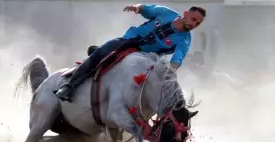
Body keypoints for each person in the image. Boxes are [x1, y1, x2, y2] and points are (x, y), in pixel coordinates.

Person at [54, 4, 206, 102]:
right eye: (193, 19)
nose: (194, 24)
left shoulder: (185, 40)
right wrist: (136, 7)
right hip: (129, 41)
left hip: (146, 58)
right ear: (186, 14)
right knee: (100, 52)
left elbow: (178, 58)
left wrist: (171, 71)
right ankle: (70, 86)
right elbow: (146, 9)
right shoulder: (166, 13)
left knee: (155, 86)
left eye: (198, 23)